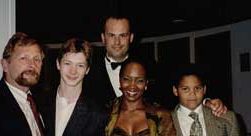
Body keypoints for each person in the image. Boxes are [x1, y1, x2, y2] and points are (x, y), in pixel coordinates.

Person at [84, 15, 227, 116]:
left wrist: (205, 102)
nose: (117, 42)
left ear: (131, 38)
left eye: (123, 35)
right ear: (103, 38)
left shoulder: (148, 65)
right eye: (112, 35)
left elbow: (171, 94)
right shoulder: (87, 69)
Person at [94, 59, 178, 136]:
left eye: (139, 81)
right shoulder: (106, 112)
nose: (132, 86)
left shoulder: (161, 115)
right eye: (127, 79)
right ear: (120, 81)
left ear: (146, 84)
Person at [36, 38, 108, 136]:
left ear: (87, 69)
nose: (73, 71)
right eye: (67, 63)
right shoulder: (39, 103)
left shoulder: (98, 112)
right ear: (58, 64)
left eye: (80, 65)